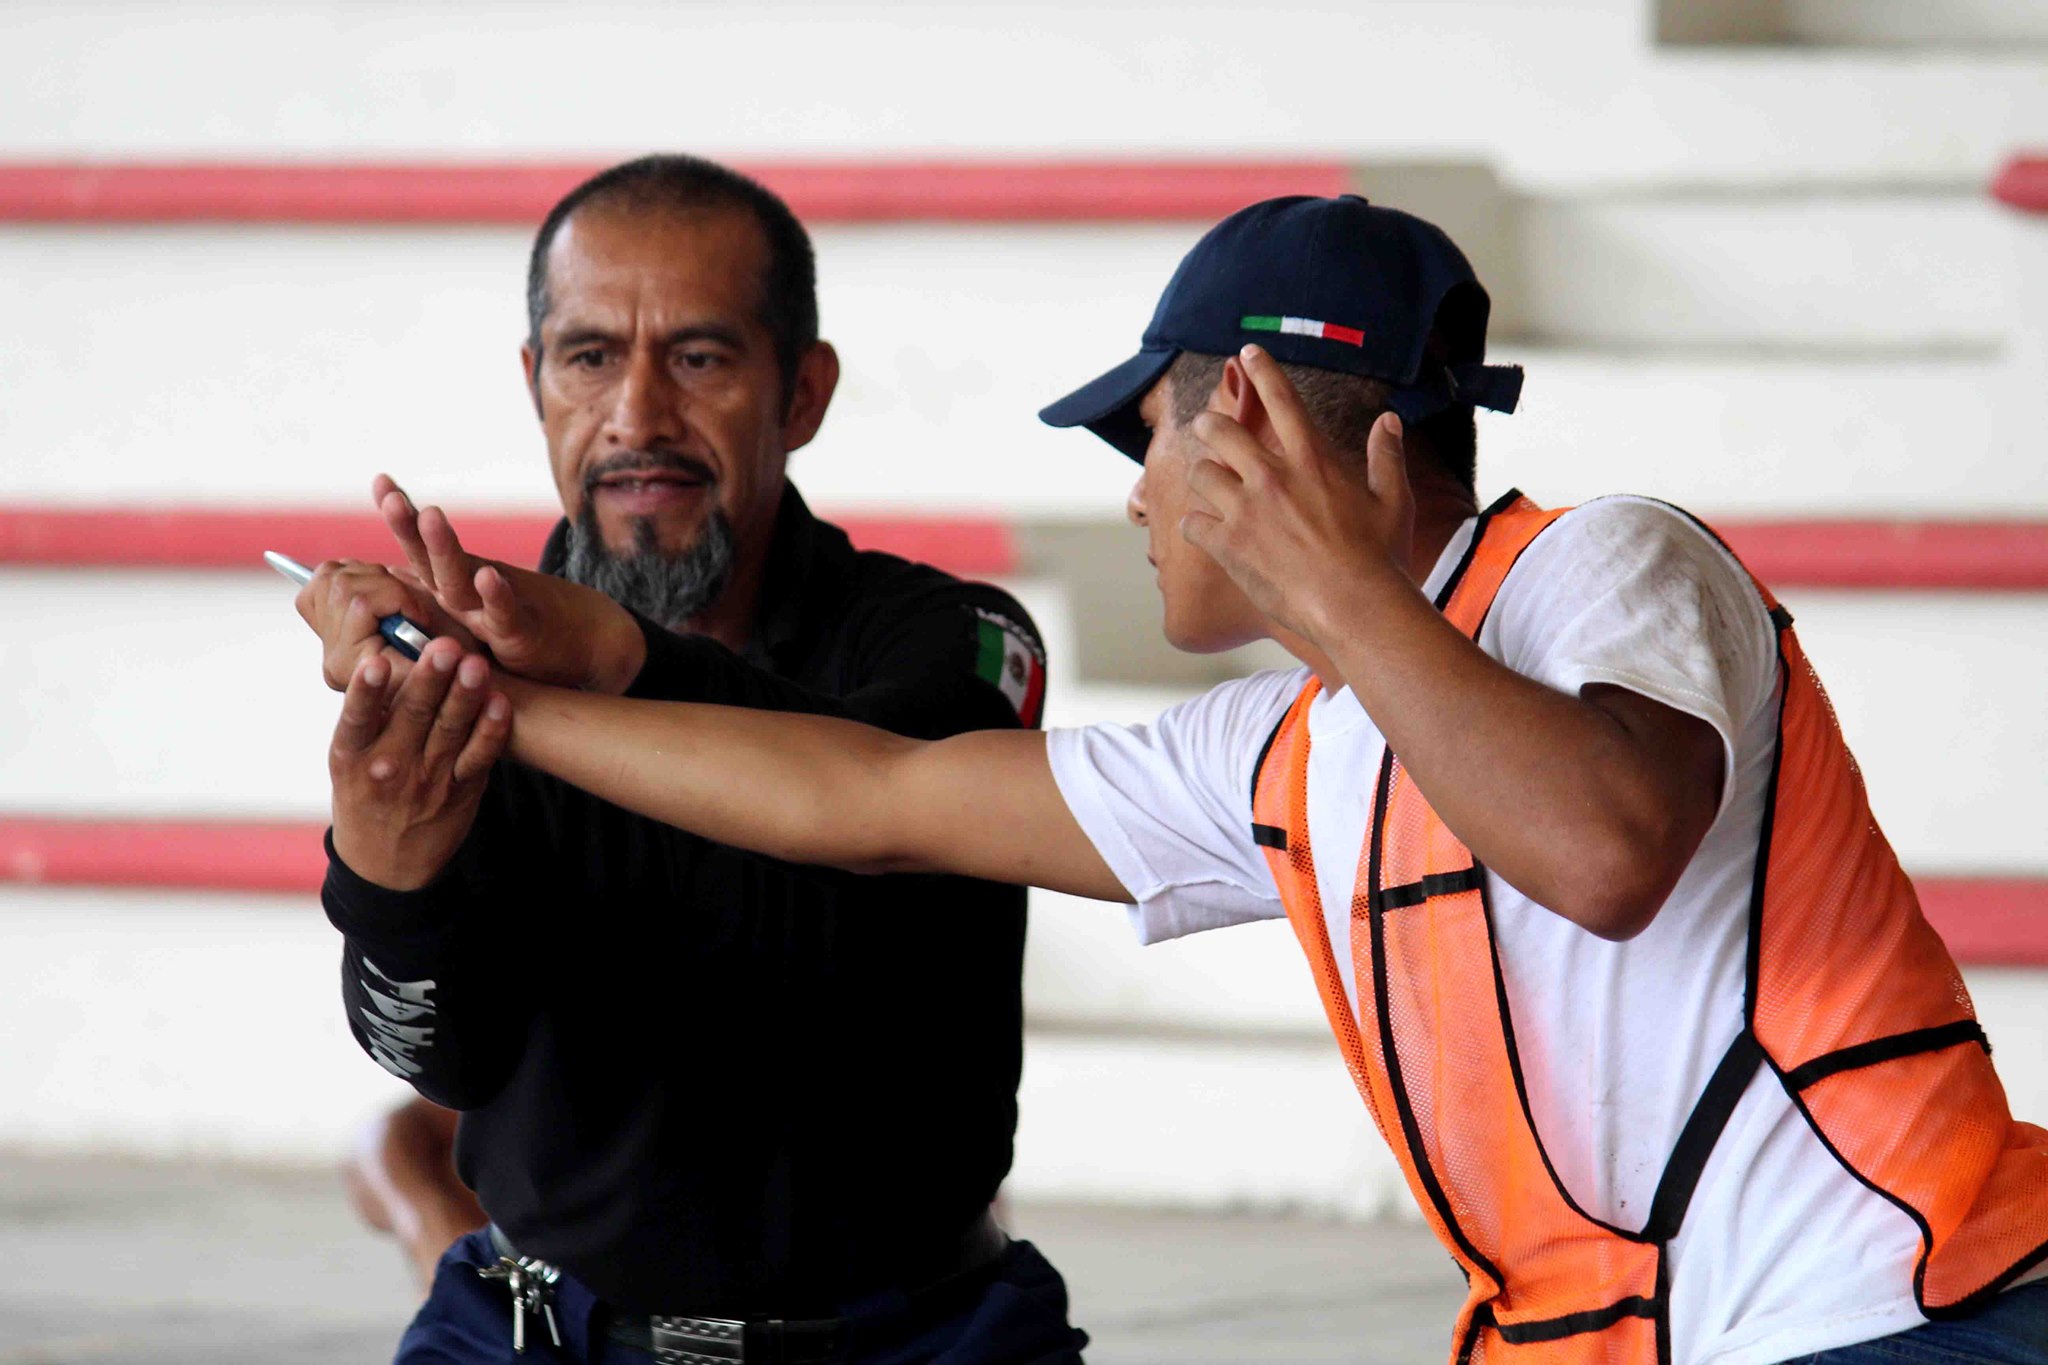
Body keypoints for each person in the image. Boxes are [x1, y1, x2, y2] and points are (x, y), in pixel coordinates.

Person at [350, 194, 2048, 1365]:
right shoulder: (1288, 744)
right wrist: (503, 689)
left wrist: (1334, 586)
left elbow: (1601, 848)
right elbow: (860, 802)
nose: (1139, 501)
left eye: (1146, 441)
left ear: (1238, 420)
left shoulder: (1604, 567)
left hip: (1920, 1314)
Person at [296, 154, 1085, 1364]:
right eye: (591, 356)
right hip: (530, 1333)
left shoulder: (957, 642)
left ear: (802, 394)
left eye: (701, 358)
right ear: (536, 383)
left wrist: (624, 661)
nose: (637, 418)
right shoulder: (462, 677)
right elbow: (436, 1052)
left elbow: (854, 862)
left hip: (915, 1337)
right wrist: (387, 880)